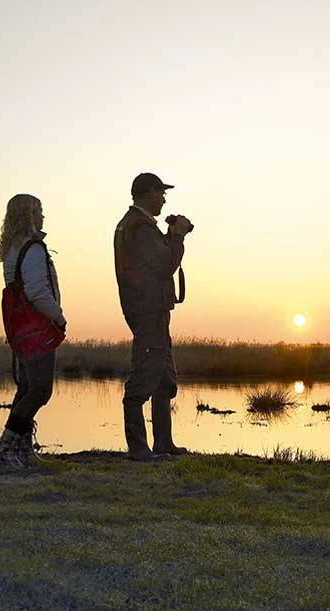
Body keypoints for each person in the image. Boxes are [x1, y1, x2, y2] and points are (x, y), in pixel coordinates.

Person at [114, 172, 192, 461]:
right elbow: (164, 265)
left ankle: (163, 443)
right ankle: (138, 449)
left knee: (163, 379)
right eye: (161, 193)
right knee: (142, 380)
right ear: (149, 193)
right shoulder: (139, 226)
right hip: (148, 311)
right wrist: (178, 237)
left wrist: (171, 235)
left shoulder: (134, 225)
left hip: (149, 310)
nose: (164, 199)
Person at [0, 194, 65, 468]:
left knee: (26, 388)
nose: (43, 216)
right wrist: (58, 317)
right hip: (36, 327)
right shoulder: (33, 247)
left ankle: (22, 449)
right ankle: (6, 448)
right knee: (39, 390)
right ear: (28, 215)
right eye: (39, 211)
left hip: (20, 327)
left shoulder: (12, 248)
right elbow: (37, 291)